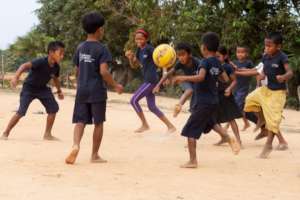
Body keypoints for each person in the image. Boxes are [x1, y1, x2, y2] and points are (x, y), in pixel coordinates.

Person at [172, 32, 240, 168]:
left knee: (190, 129)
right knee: (210, 122)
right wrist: (214, 79)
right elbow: (225, 79)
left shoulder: (205, 62)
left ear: (204, 48)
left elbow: (201, 77)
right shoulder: (217, 62)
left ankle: (192, 161)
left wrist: (183, 78)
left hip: (203, 101)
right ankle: (227, 137)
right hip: (213, 100)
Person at [65, 11, 123, 164]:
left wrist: (80, 83)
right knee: (98, 122)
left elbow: (77, 71)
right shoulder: (102, 49)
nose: (103, 31)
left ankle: (75, 145)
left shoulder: (80, 47)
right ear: (98, 30)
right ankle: (94, 155)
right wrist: (115, 85)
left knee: (80, 121)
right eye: (102, 28)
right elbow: (104, 71)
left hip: (82, 89)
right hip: (97, 90)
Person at [1, 41, 65, 141]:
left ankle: (47, 134)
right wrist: (16, 77)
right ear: (51, 52)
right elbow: (24, 66)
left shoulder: (56, 67)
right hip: (29, 88)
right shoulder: (40, 61)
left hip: (42, 89)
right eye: (60, 53)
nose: (62, 56)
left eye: (63, 53)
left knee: (53, 108)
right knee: (21, 112)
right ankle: (6, 132)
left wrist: (60, 91)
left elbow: (55, 78)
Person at [244, 32, 293, 158]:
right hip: (267, 90)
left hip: (278, 93)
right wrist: (262, 76)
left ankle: (268, 144)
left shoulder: (282, 57)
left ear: (278, 46)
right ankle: (261, 118)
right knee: (249, 100)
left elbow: (290, 72)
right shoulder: (266, 57)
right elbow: (265, 71)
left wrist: (283, 77)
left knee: (273, 119)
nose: (267, 48)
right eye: (265, 45)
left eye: (270, 46)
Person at [125, 29, 176, 133]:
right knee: (152, 107)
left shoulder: (150, 49)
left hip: (151, 80)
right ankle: (170, 126)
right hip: (147, 80)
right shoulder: (139, 50)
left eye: (141, 38)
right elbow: (135, 65)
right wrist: (131, 58)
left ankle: (145, 124)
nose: (138, 40)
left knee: (133, 100)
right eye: (136, 38)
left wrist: (165, 75)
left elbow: (162, 60)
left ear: (146, 39)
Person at [235, 57, 288, 151]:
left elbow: (254, 73)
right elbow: (252, 70)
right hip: (263, 93)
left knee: (271, 118)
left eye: (268, 48)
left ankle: (280, 141)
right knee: (253, 108)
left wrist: (237, 72)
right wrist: (238, 69)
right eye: (265, 48)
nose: (266, 51)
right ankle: (263, 124)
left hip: (272, 94)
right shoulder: (264, 62)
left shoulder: (276, 61)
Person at [153, 42, 201, 117]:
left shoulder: (197, 62)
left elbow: (202, 76)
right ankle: (178, 106)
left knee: (195, 107)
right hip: (187, 81)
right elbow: (168, 74)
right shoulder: (179, 63)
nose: (181, 57)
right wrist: (158, 85)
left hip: (197, 83)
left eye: (183, 55)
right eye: (179, 55)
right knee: (189, 90)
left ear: (190, 55)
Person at [214, 46, 243, 146]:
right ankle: (224, 137)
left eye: (218, 56)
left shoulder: (227, 67)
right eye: (215, 56)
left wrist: (229, 89)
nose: (216, 58)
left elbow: (235, 80)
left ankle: (238, 140)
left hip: (226, 95)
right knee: (214, 119)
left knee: (231, 118)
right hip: (216, 95)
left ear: (225, 56)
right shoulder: (213, 66)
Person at [230, 46, 254, 131]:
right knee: (241, 108)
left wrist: (244, 70)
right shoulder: (234, 62)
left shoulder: (248, 63)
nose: (239, 54)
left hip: (243, 89)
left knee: (236, 107)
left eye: (242, 52)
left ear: (246, 54)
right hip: (235, 88)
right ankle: (246, 123)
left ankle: (227, 125)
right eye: (238, 52)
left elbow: (253, 72)